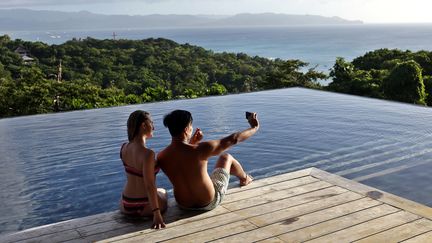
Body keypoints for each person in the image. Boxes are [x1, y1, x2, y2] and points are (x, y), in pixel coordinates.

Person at [157, 110, 259, 211]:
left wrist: (192, 142)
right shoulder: (201, 149)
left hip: (184, 204)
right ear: (187, 129)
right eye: (191, 126)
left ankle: (239, 176)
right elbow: (234, 139)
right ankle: (245, 179)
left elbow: (183, 159)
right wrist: (254, 127)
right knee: (226, 158)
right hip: (208, 202)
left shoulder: (162, 156)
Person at [119, 110, 167, 229]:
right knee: (164, 192)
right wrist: (157, 214)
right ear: (143, 125)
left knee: (159, 190)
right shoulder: (148, 154)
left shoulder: (124, 148)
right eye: (151, 123)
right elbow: (149, 185)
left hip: (126, 203)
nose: (154, 127)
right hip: (145, 205)